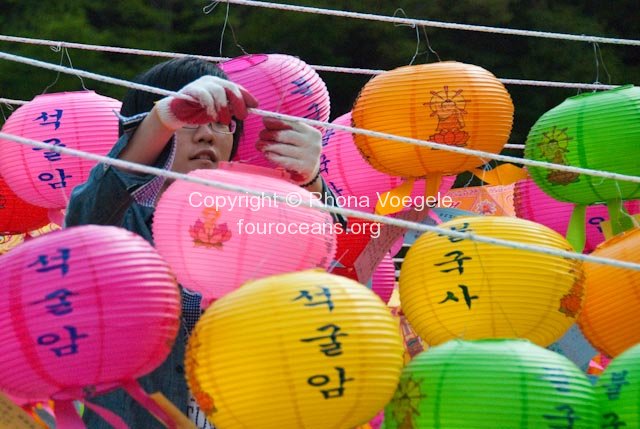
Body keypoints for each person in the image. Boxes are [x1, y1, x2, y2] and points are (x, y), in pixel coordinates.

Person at [65, 56, 343, 429]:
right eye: (190, 119)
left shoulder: (261, 223)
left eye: (221, 123)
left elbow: (334, 278)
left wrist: (311, 184)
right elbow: (91, 211)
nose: (207, 134)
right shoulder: (119, 225)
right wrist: (161, 119)